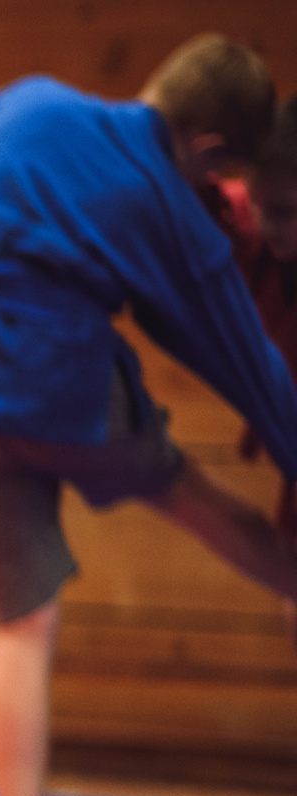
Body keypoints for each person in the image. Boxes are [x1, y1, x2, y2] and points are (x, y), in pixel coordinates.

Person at [0, 35, 297, 796]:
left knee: (22, 621)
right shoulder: (165, 200)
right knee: (194, 499)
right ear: (214, 152)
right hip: (62, 387)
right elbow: (236, 353)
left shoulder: (25, 100)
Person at [213, 94, 297, 535]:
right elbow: (207, 202)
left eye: (282, 212)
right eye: (261, 205)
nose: (265, 224)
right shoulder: (255, 234)